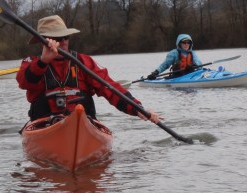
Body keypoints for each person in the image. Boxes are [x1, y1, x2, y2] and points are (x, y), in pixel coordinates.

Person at [16, 15, 161, 124]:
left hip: (83, 123)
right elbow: (24, 82)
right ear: (44, 41)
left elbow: (109, 88)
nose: (64, 42)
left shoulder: (83, 62)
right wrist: (43, 62)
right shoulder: (32, 63)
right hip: (45, 125)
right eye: (58, 39)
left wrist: (138, 109)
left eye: (66, 37)